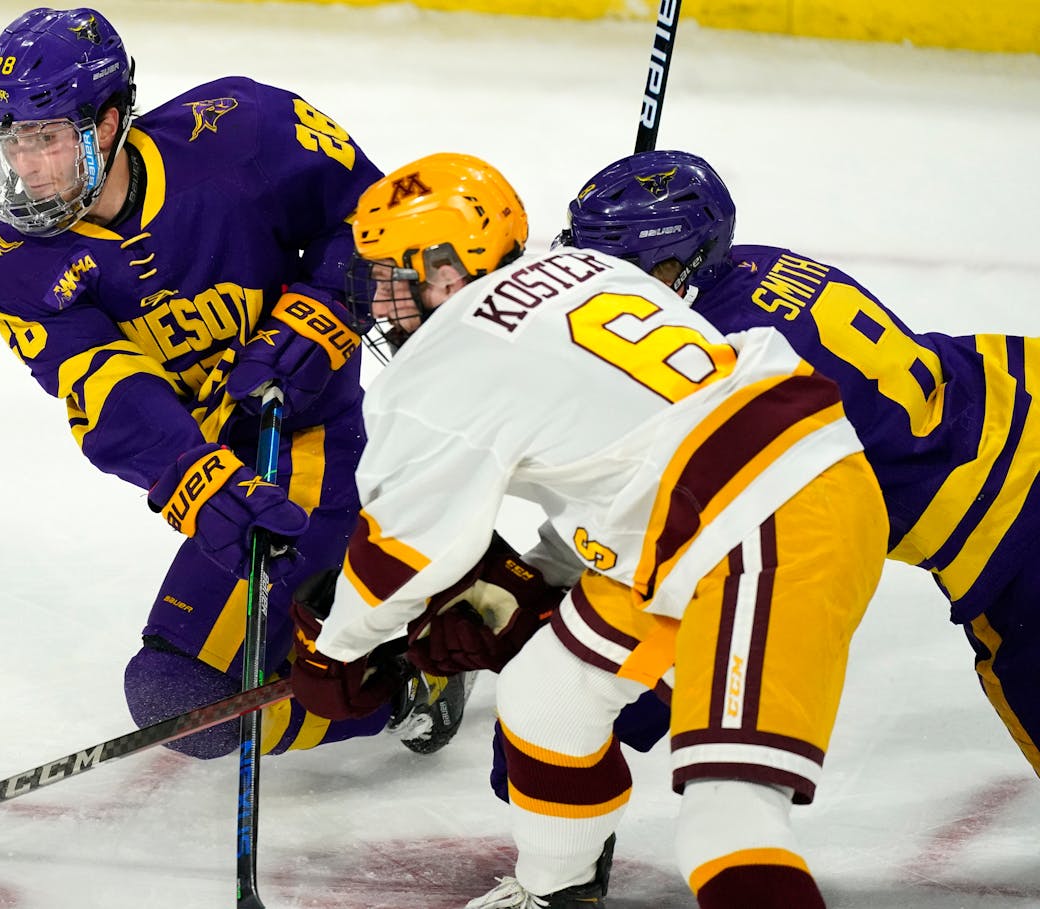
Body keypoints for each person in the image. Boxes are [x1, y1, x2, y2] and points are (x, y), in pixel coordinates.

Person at [287, 151, 889, 909]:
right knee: (549, 693)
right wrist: (538, 574)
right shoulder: (589, 271)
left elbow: (405, 550)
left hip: (759, 525)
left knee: (727, 813)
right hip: (730, 510)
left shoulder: (444, 358)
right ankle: (555, 889)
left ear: (444, 271)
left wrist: (337, 648)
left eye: (389, 279)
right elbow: (639, 451)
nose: (378, 305)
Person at [0, 7, 471, 759]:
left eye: (42, 139)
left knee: (230, 682)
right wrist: (196, 481)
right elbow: (112, 393)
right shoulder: (10, 271)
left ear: (104, 125)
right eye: (8, 145)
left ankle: (408, 671)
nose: (23, 168)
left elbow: (375, 216)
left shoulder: (244, 131)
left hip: (315, 438)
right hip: (229, 465)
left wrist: (324, 309)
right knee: (179, 696)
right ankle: (382, 638)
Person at [563, 149, 1040, 779]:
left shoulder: (722, 371)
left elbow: (715, 576)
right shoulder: (752, 266)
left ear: (685, 261)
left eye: (624, 264)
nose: (600, 280)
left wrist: (601, 714)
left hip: (1009, 520)